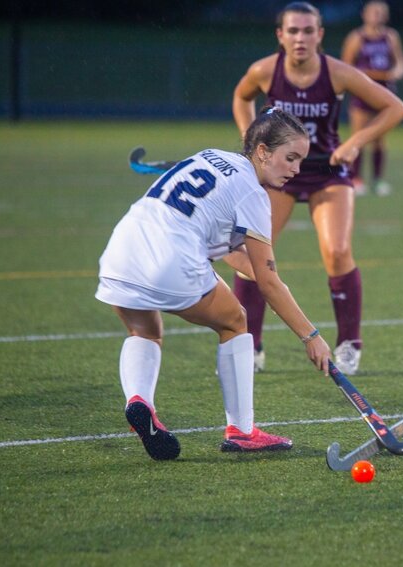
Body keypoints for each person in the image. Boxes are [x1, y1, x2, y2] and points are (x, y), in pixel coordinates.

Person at [96, 107, 331, 461]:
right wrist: (311, 337)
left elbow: (236, 258)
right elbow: (267, 283)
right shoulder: (254, 194)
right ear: (263, 151)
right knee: (235, 320)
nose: (297, 169)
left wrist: (270, 278)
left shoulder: (210, 156)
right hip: (171, 258)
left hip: (121, 251)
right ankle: (242, 431)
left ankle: (139, 401)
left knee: (144, 331)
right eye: (291, 158)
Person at [231, 1, 403, 376]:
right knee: (253, 257)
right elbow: (241, 96)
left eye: (308, 31)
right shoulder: (265, 70)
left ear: (320, 35)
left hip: (327, 170)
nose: (300, 38)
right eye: (293, 31)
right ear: (280, 35)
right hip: (279, 175)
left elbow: (395, 107)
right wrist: (250, 140)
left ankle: (349, 343)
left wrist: (356, 141)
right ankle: (250, 344)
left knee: (338, 251)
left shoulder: (338, 73)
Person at [341, 0, 403, 196]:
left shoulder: (391, 36)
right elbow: (346, 66)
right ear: (365, 15)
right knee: (359, 136)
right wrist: (370, 75)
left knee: (379, 138)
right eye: (373, 12)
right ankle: (355, 178)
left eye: (380, 12)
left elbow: (400, 61)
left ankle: (378, 180)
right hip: (363, 93)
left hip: (385, 94)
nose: (377, 16)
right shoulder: (357, 37)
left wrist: (397, 71)